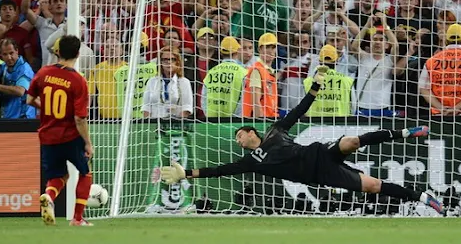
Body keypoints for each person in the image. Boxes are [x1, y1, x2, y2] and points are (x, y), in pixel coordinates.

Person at [160, 66, 445, 215]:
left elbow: (299, 110)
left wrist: (316, 87)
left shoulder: (275, 131)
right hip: (321, 175)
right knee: (373, 186)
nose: (238, 140)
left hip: (319, 154)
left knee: (351, 141)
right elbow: (219, 170)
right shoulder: (251, 162)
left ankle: (407, 132)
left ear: (251, 132)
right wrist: (186, 173)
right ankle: (423, 197)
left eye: (239, 135)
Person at [26, 35, 94, 226]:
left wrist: (47, 108)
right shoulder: (78, 81)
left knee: (58, 176)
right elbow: (79, 118)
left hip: (47, 136)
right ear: (78, 54)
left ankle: (48, 196)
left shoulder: (43, 73)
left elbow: (29, 101)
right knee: (85, 172)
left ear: (57, 52)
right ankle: (78, 218)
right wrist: (88, 142)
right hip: (70, 136)